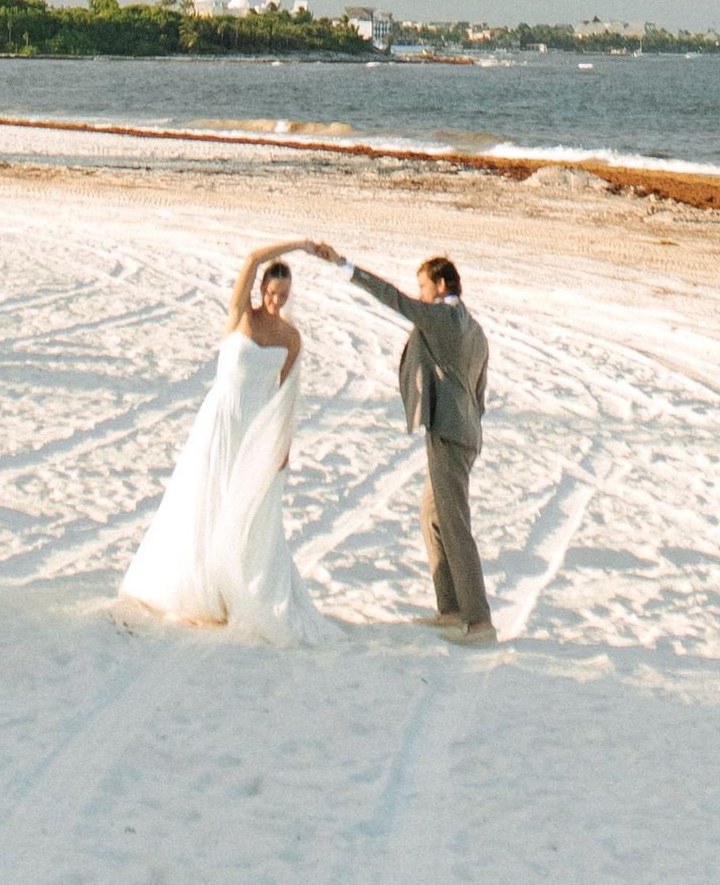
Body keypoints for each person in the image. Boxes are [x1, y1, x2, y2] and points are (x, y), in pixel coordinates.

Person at [118, 241, 333, 644]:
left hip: (256, 430)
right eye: (271, 292)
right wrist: (302, 246)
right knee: (204, 500)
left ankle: (238, 586)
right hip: (220, 421)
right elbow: (252, 259)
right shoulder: (240, 317)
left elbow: (285, 397)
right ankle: (203, 590)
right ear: (261, 287)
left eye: (283, 296)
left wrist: (282, 446)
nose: (275, 300)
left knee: (246, 509)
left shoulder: (291, 337)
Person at [305, 239, 494, 641]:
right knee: (433, 515)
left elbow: (393, 298)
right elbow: (480, 393)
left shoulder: (446, 319)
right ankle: (451, 609)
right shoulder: (474, 328)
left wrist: (344, 265)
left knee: (455, 523)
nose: (421, 296)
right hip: (464, 432)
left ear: (442, 285)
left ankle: (478, 621)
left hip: (450, 433)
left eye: (425, 287)